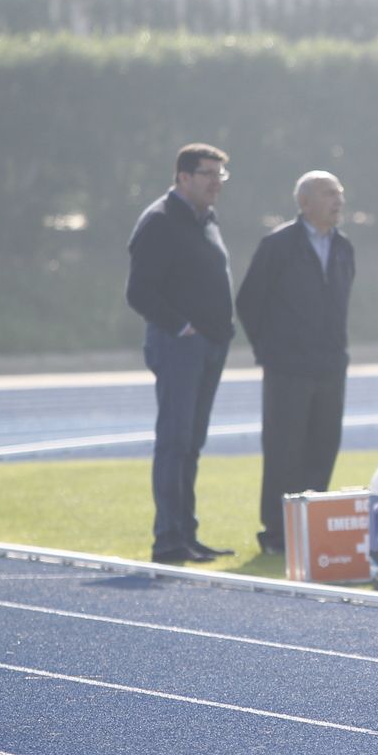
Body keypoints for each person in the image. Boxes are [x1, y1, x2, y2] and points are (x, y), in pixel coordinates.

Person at [126, 143, 237, 564]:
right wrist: (183, 328)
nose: (216, 183)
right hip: (179, 348)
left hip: (209, 346)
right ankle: (167, 538)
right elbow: (138, 292)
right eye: (208, 174)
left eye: (220, 175)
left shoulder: (205, 218)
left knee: (191, 444)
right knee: (174, 443)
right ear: (183, 177)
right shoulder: (159, 221)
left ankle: (187, 533)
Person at [236, 170, 355, 555]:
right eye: (327, 193)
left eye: (339, 193)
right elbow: (249, 302)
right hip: (288, 368)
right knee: (284, 450)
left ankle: (310, 529)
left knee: (324, 447)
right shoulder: (278, 245)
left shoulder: (343, 247)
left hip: (330, 366)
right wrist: (270, 352)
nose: (337, 200)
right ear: (304, 202)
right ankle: (275, 535)